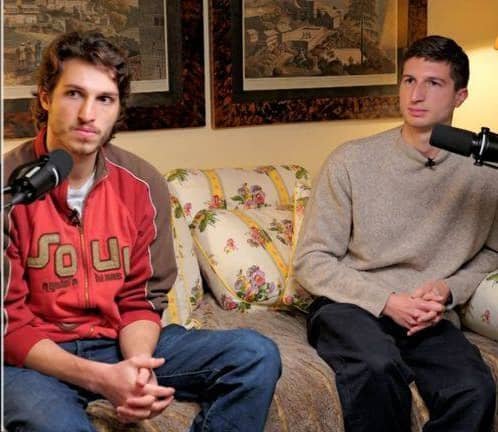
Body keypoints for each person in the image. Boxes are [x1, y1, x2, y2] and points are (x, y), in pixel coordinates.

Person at [3, 31, 281, 432]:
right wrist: (100, 379)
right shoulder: (10, 188)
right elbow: (9, 326)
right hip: (34, 362)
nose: (88, 114)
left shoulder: (143, 184)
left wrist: (137, 367)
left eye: (105, 99)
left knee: (255, 355)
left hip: (116, 342)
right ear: (46, 97)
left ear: (118, 108)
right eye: (74, 94)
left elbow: (141, 298)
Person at [294, 35, 497, 432]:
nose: (415, 95)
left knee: (475, 389)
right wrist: (386, 301)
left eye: (433, 83)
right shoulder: (351, 160)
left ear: (460, 96)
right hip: (350, 305)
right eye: (408, 81)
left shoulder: (485, 173)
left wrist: (448, 290)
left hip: (427, 314)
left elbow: (493, 252)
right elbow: (311, 260)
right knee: (377, 367)